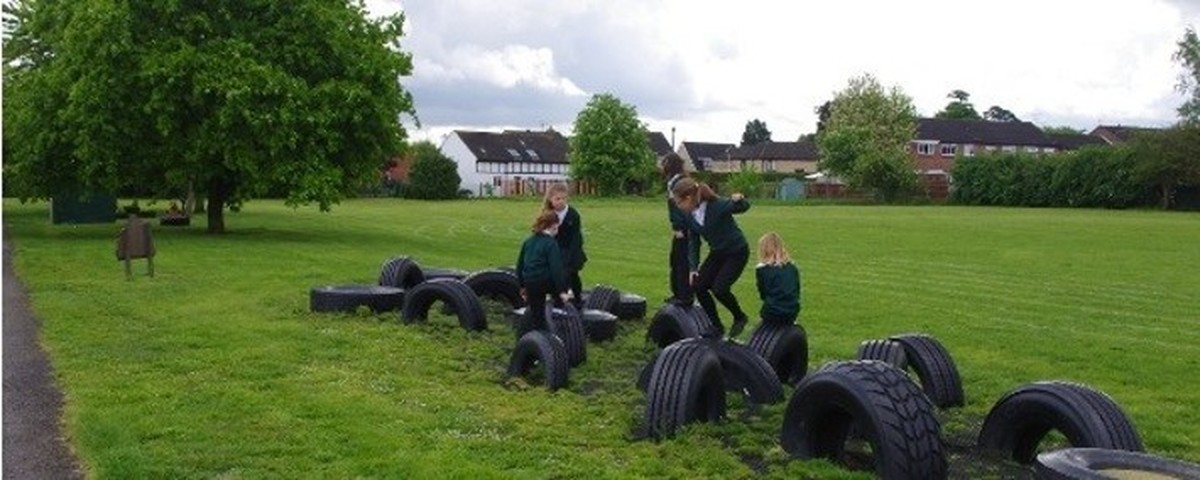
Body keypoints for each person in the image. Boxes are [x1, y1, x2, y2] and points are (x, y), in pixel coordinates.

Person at [671, 177, 751, 339]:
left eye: (679, 202)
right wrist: (693, 268)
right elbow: (694, 241)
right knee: (698, 286)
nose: (678, 207)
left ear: (688, 198)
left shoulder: (717, 205)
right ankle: (716, 326)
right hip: (718, 252)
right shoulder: (689, 215)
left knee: (719, 289)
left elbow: (743, 207)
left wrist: (739, 199)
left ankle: (740, 317)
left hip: (737, 252)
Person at [516, 210, 572, 337]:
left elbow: (519, 266)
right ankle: (558, 321)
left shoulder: (528, 242)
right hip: (545, 281)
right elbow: (556, 269)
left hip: (530, 282)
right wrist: (562, 291)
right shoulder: (551, 243)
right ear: (553, 226)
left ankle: (536, 340)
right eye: (557, 227)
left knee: (537, 314)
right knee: (566, 279)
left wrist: (522, 286)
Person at [543, 183, 587, 309]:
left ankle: (577, 299)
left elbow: (576, 237)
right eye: (557, 199)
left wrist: (571, 257)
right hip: (554, 249)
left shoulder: (573, 215)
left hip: (571, 249)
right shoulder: (548, 214)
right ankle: (556, 300)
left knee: (571, 275)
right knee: (555, 275)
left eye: (564, 198)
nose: (561, 201)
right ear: (550, 199)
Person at [661, 153, 693, 305]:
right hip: (683, 226)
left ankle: (684, 296)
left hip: (685, 228)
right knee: (675, 260)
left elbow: (679, 208)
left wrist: (678, 226)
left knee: (681, 261)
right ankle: (678, 293)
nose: (662, 166)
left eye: (665, 163)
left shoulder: (679, 182)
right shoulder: (674, 181)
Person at [755, 232, 801, 328]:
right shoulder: (792, 267)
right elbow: (796, 290)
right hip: (792, 311)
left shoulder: (762, 269)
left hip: (772, 311)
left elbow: (763, 294)